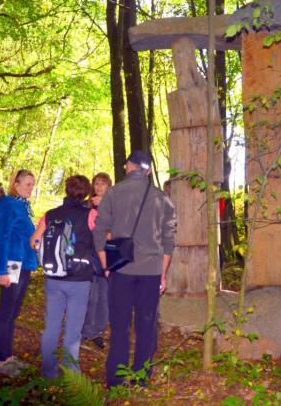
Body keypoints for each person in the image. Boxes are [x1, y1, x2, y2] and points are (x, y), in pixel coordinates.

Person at [93, 150, 177, 388]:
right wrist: (163, 274)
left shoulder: (113, 193)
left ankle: (116, 379)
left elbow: (99, 232)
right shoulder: (162, 198)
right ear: (148, 171)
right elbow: (169, 241)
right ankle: (141, 377)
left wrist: (106, 266)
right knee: (146, 324)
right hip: (151, 271)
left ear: (129, 166)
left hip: (121, 269)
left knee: (119, 325)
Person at [29, 175, 97, 379]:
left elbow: (34, 241)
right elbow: (106, 238)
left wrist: (47, 255)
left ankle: (48, 371)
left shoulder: (50, 214)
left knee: (52, 326)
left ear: (67, 190)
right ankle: (71, 373)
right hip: (80, 279)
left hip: (53, 278)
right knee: (73, 329)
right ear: (86, 193)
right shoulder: (91, 215)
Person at [0, 170, 38, 376]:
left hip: (23, 266)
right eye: (27, 184)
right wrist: (2, 271)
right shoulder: (9, 204)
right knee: (5, 313)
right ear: (16, 185)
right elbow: (2, 237)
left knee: (12, 313)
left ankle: (8, 356)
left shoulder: (22, 206)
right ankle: (0, 360)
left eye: (32, 184)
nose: (31, 188)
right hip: (11, 267)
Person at [81, 172, 113, 350]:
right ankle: (87, 330)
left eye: (103, 183)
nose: (99, 187)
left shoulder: (114, 205)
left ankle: (99, 331)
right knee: (91, 297)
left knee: (105, 298)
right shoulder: (87, 207)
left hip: (110, 257)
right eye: (97, 183)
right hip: (91, 257)